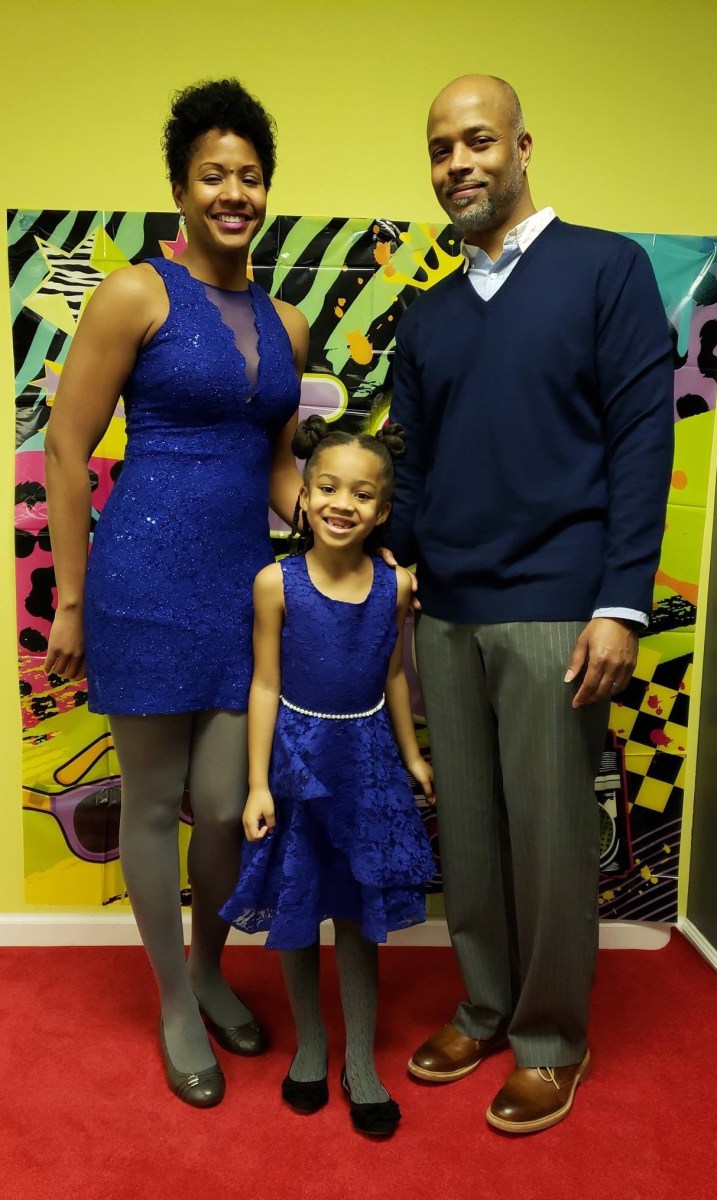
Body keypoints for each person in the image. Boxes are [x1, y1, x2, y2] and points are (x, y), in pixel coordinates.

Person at [387, 74, 674, 1133]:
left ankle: (551, 1039)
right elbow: (411, 466)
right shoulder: (427, 314)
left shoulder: (606, 268)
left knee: (550, 839)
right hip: (446, 613)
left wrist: (622, 604)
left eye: (477, 140)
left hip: (561, 606)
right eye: (440, 148)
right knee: (467, 832)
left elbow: (643, 439)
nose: (457, 163)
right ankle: (483, 1005)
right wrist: (400, 566)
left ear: (521, 146)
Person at [43, 78, 309, 1107]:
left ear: (266, 190)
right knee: (153, 807)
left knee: (223, 807)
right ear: (181, 189)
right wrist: (71, 602)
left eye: (250, 175)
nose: (233, 192)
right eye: (213, 175)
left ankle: (209, 969)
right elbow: (67, 450)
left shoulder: (289, 324)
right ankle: (174, 1001)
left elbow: (276, 468)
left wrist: (346, 530)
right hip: (143, 585)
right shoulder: (135, 294)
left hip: (243, 593)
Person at [220, 415, 436, 1137]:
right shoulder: (274, 583)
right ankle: (310, 1045)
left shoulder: (395, 585)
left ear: (383, 509)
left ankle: (361, 1060)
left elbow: (394, 675)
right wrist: (257, 783)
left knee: (357, 914)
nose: (344, 504)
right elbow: (263, 684)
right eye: (329, 488)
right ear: (305, 496)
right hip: (298, 764)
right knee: (300, 901)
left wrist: (410, 755)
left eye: (363, 494)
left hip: (366, 763)